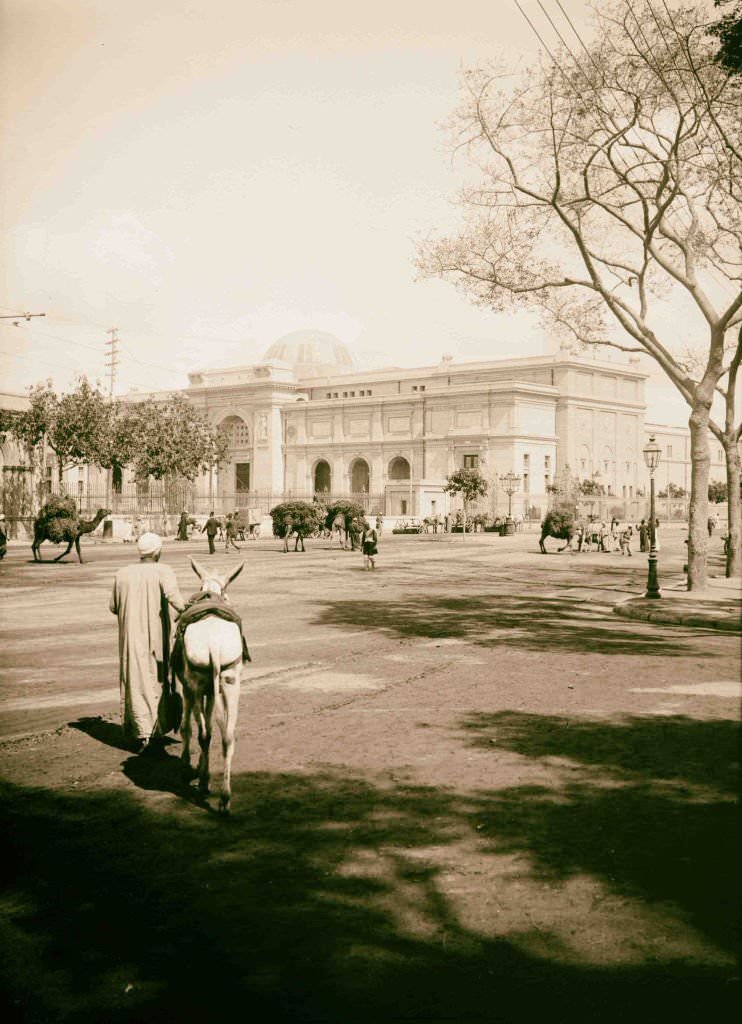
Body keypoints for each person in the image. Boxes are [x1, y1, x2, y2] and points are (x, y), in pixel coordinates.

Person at [109, 532, 185, 753]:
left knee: (135, 680)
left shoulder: (122, 573)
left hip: (130, 639)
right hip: (155, 639)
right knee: (157, 679)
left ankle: (142, 730)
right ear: (158, 551)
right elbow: (175, 599)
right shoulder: (164, 570)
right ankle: (150, 732)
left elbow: (113, 606)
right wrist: (191, 610)